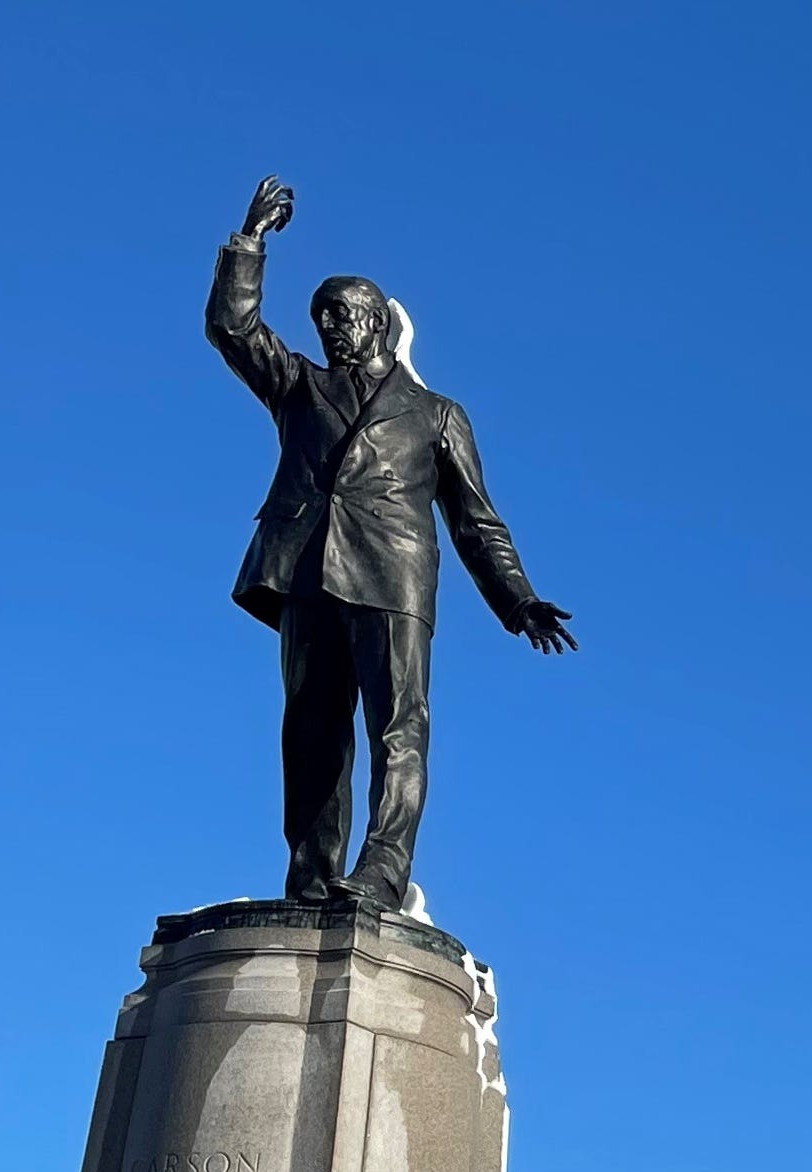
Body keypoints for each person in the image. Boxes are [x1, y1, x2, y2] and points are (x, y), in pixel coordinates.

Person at [207, 178, 575, 907]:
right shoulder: (299, 388)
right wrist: (248, 244)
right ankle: (311, 880)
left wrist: (519, 599)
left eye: (341, 316)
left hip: (394, 577)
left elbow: (475, 519)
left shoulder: (436, 414)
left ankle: (380, 871)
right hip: (307, 572)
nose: (328, 330)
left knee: (398, 730)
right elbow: (234, 331)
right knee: (310, 734)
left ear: (377, 322)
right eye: (320, 319)